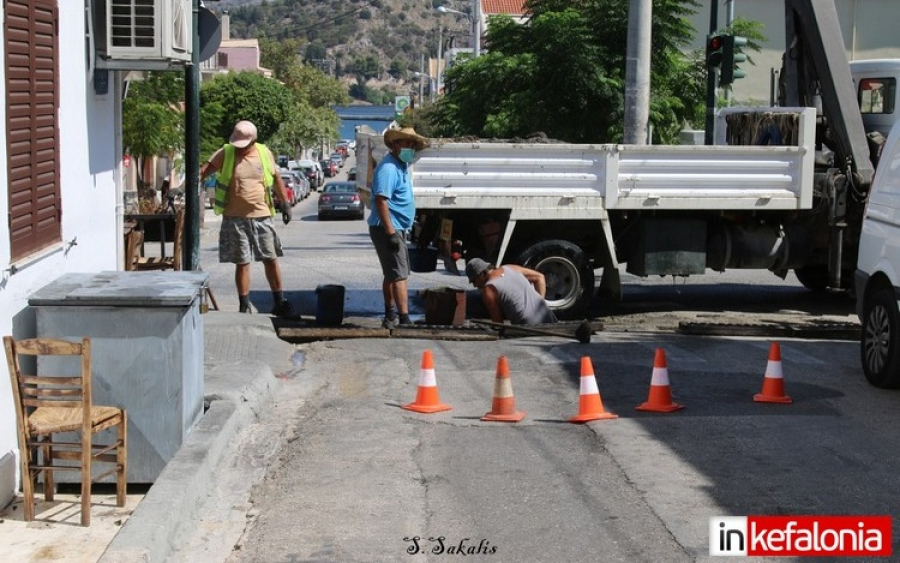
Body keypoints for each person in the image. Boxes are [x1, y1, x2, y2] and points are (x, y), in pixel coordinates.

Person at [200, 120, 296, 317]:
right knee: (242, 262)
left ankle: (279, 301)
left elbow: (276, 178)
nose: (241, 149)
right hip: (234, 217)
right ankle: (244, 305)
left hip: (262, 216)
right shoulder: (225, 153)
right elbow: (202, 172)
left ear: (254, 141)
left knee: (270, 258)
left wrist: (285, 203)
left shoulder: (264, 152)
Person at [367, 126, 429, 328]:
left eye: (412, 144)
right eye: (406, 143)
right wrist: (391, 232)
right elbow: (381, 201)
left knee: (391, 273)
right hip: (388, 228)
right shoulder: (389, 168)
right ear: (394, 145)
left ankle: (390, 315)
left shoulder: (399, 165)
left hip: (393, 228)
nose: (410, 147)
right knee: (400, 274)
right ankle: (403, 318)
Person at [465, 258, 558, 325]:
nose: (474, 285)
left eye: (474, 281)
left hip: (527, 327)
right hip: (549, 317)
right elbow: (540, 277)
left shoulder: (488, 289)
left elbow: (498, 323)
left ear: (481, 274)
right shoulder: (510, 268)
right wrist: (538, 302)